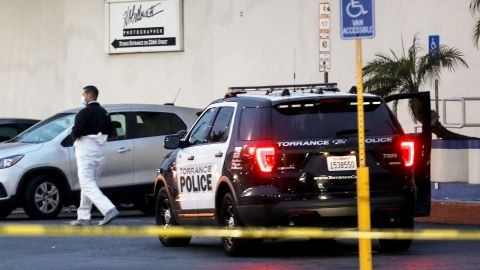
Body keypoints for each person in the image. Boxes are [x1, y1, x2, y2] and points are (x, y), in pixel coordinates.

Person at [70, 85, 119, 226]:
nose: (82, 97)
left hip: (86, 150)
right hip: (101, 151)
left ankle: (108, 209)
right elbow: (111, 132)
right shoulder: (104, 113)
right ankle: (84, 216)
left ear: (87, 94)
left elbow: (77, 131)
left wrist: (73, 136)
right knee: (90, 183)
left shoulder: (84, 113)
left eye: (83, 94)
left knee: (86, 182)